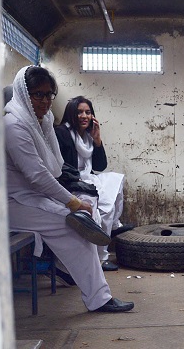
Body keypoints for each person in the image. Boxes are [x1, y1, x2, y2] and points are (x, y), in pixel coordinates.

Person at [4, 65, 134, 312]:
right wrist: (72, 202)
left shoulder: (40, 124)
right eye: (37, 94)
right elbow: (38, 176)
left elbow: (54, 170)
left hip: (30, 199)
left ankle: (86, 285)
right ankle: (94, 293)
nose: (44, 101)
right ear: (23, 93)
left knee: (81, 222)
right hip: (10, 204)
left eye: (49, 94)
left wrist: (75, 203)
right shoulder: (15, 126)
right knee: (76, 222)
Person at [55, 96, 133, 272]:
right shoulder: (62, 133)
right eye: (80, 112)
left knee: (115, 181)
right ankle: (100, 257)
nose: (84, 116)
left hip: (88, 177)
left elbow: (99, 166)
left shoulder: (89, 136)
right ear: (71, 114)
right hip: (72, 181)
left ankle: (112, 228)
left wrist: (97, 141)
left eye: (88, 112)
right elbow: (59, 165)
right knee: (102, 206)